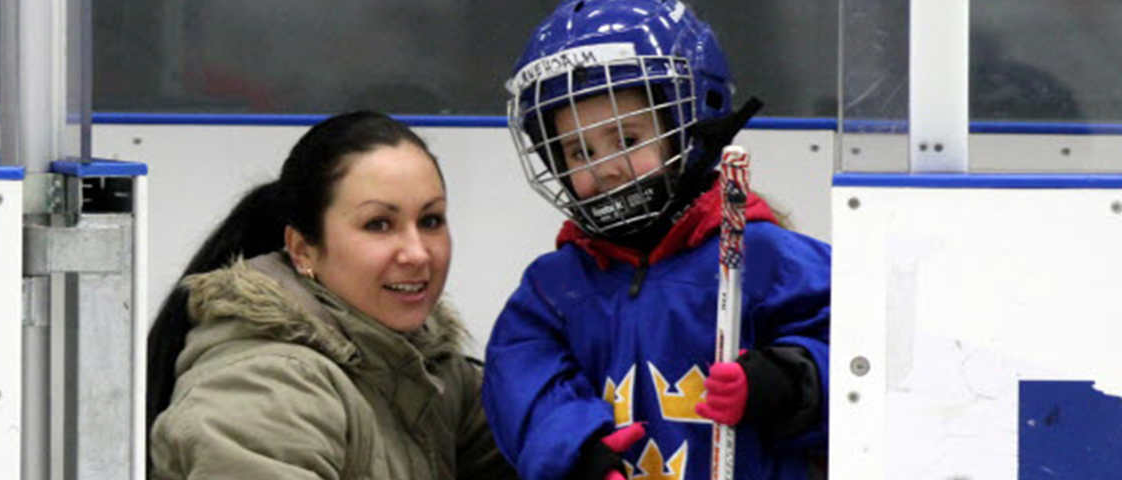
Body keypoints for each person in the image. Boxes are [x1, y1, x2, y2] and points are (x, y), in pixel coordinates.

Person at [482, 1, 833, 479]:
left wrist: (792, 379)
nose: (604, 168)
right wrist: (578, 452)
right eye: (579, 150)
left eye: (627, 139)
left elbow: (861, 357)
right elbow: (524, 387)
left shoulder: (768, 258)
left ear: (687, 128)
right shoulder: (551, 291)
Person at [145, 111, 515, 480]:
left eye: (430, 220)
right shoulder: (266, 387)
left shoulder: (425, 369)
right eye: (379, 225)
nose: (417, 253)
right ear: (302, 249)